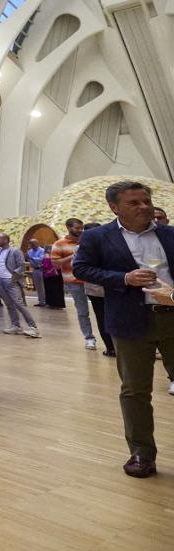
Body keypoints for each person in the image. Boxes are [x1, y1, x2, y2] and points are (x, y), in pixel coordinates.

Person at [73, 180, 174, 478]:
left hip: (172, 316)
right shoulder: (97, 237)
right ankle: (142, 453)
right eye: (135, 203)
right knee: (135, 391)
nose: (144, 207)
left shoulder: (169, 234)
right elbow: (82, 269)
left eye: (146, 201)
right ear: (114, 207)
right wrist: (124, 278)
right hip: (131, 321)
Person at [53, 218, 105, 353]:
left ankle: (109, 340)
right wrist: (74, 256)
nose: (80, 230)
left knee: (102, 311)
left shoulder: (89, 240)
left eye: (81, 228)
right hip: (74, 282)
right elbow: (56, 263)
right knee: (83, 311)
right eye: (77, 228)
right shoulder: (59, 244)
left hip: (94, 282)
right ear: (68, 227)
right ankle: (89, 338)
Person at [0, 234, 39, 337]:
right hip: (0, 280)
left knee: (19, 304)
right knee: (9, 304)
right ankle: (15, 325)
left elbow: (22, 265)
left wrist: (14, 276)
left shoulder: (15, 251)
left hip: (11, 281)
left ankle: (33, 327)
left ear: (6, 240)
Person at [26, 239, 47, 307]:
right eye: (30, 244)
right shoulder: (30, 251)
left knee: (42, 286)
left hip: (41, 269)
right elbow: (28, 259)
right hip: (35, 269)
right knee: (38, 287)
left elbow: (41, 260)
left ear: (37, 243)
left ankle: (45, 301)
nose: (31, 245)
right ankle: (41, 301)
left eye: (33, 244)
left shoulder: (42, 250)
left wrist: (31, 258)